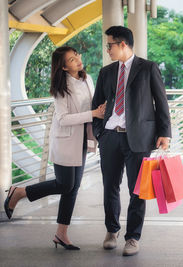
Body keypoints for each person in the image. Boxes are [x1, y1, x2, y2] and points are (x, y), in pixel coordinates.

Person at [3, 46, 106, 250]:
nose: (77, 59)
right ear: (64, 68)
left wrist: (99, 110)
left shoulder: (87, 79)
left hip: (82, 141)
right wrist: (93, 114)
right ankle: (19, 192)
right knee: (65, 185)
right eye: (71, 59)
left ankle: (61, 234)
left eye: (76, 55)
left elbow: (90, 106)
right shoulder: (61, 88)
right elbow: (63, 118)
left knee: (72, 188)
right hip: (65, 141)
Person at [92, 26, 171, 256]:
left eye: (110, 45)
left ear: (123, 44)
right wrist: (100, 133)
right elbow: (96, 105)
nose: (108, 50)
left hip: (139, 138)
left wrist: (164, 133)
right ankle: (111, 230)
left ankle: (133, 237)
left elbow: (161, 102)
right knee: (110, 188)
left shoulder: (148, 68)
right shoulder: (106, 72)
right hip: (110, 137)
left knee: (137, 190)